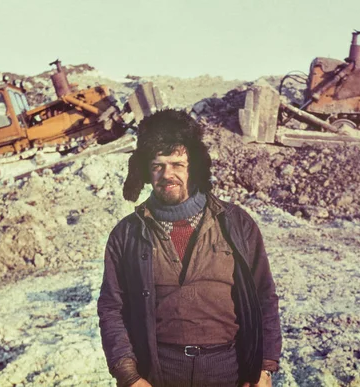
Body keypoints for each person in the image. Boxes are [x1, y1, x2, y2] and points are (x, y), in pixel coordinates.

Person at [97, 109, 281, 387]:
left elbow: (264, 296)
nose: (167, 175)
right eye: (158, 165)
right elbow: (112, 307)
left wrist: (264, 367)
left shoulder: (236, 223)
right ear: (146, 170)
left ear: (193, 166)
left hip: (227, 369)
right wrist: (129, 376)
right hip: (157, 371)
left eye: (177, 164)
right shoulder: (127, 233)